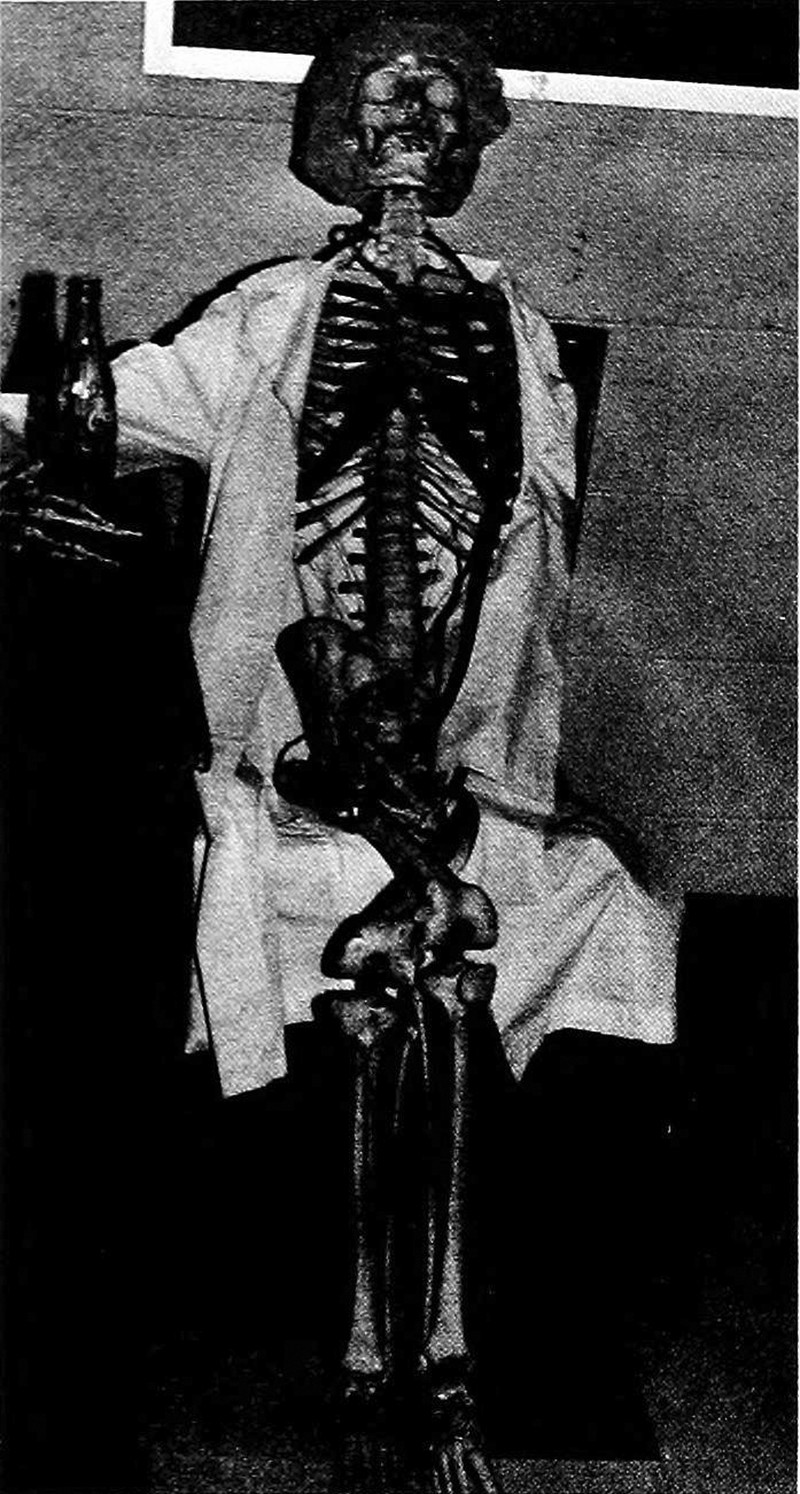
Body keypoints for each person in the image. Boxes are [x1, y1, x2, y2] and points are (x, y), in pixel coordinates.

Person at [3, 16, 682, 1455]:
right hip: (289, 762)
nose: (414, 128)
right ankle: (235, 1299)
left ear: (475, 143)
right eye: (384, 105)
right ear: (337, 141)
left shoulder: (520, 335)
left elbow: (531, 561)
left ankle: (526, 1320)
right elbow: (99, 413)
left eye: (441, 106)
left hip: (461, 766)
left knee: (603, 888)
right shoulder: (271, 317)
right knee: (194, 878)